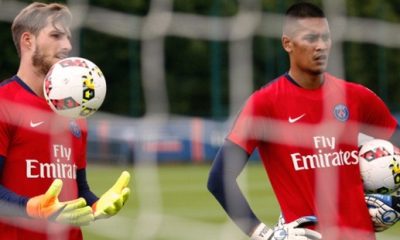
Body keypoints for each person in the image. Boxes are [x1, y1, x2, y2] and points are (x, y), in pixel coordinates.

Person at [208, 2, 400, 240]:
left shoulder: (358, 97)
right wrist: (263, 234)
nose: (321, 46)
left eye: (326, 37)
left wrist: (394, 201)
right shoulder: (265, 104)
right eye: (310, 38)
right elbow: (219, 178)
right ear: (287, 43)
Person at [0, 2, 130, 239]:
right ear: (28, 40)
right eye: (56, 35)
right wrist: (33, 208)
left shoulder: (74, 112)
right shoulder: (4, 103)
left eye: (68, 38)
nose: (67, 46)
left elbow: (79, 190)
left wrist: (96, 206)